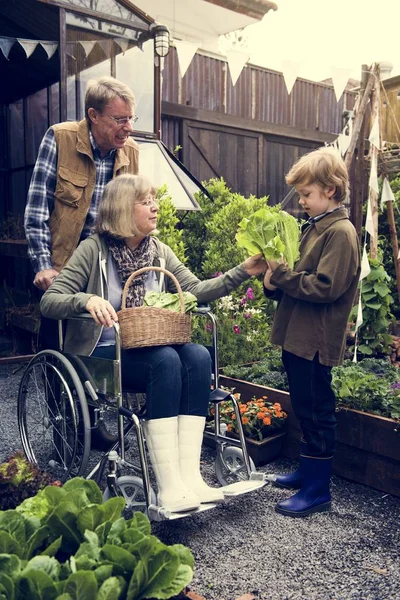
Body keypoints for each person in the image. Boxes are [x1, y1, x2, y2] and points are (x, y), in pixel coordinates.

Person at [40, 173, 267, 513]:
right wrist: (86, 300)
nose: (155, 206)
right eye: (145, 202)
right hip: (102, 353)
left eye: (154, 200)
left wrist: (244, 271)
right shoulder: (93, 250)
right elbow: (50, 301)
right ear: (121, 209)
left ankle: (190, 478)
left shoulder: (158, 251)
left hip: (146, 347)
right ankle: (168, 485)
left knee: (198, 356)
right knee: (167, 361)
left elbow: (195, 289)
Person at [263, 147, 360, 518]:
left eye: (306, 194)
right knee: (305, 405)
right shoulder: (316, 227)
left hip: (315, 341)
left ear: (330, 190)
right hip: (297, 336)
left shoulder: (340, 233)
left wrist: (282, 276)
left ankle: (318, 490)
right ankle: (308, 471)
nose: (301, 201)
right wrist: (273, 281)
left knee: (318, 410)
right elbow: (294, 278)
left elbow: (325, 287)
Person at [24, 75, 139, 292]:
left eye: (132, 118)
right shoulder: (60, 137)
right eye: (120, 119)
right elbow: (37, 211)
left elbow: (133, 217)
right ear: (93, 115)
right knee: (57, 327)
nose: (129, 127)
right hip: (62, 273)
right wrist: (43, 266)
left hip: (111, 274)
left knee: (107, 327)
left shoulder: (131, 151)